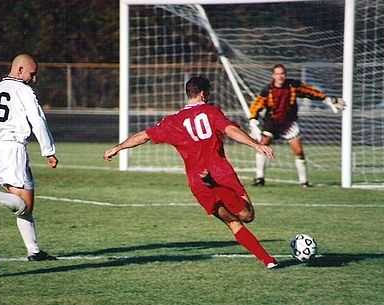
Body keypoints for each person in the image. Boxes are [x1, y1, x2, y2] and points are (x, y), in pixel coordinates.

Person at [104, 76, 279, 269]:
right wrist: (255, 144)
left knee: (233, 223)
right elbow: (230, 130)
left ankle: (268, 261)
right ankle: (220, 190)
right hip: (220, 173)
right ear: (204, 94)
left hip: (198, 182)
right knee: (247, 215)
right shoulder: (211, 111)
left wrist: (118, 147)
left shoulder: (173, 121)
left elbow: (143, 136)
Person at [0, 54, 58, 261]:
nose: (34, 79)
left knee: (22, 205)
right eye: (32, 74)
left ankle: (34, 251)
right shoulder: (23, 90)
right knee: (25, 206)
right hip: (12, 150)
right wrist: (48, 150)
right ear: (20, 70)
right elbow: (37, 120)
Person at [248, 64, 344, 187]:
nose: (280, 76)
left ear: (285, 74)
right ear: (273, 75)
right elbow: (257, 104)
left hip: (289, 123)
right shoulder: (267, 90)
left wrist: (327, 99)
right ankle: (259, 178)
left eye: (282, 73)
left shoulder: (293, 86)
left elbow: (310, 92)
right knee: (263, 146)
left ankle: (304, 182)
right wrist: (253, 119)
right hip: (271, 122)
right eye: (277, 74)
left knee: (299, 151)